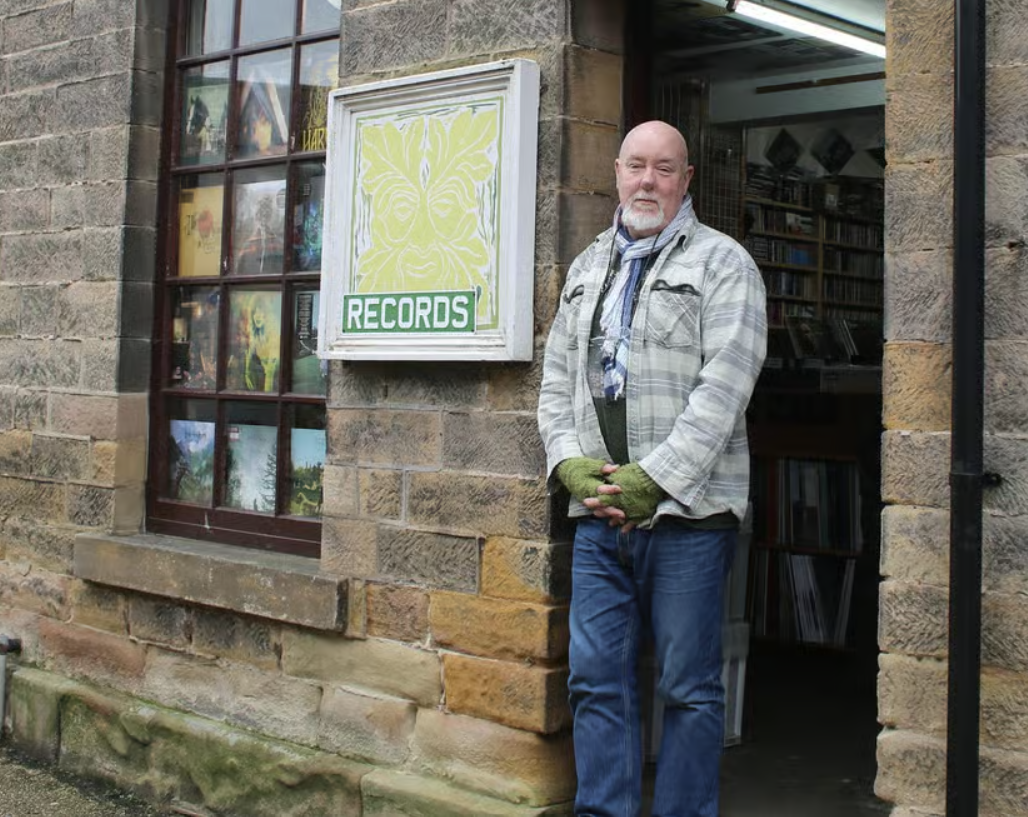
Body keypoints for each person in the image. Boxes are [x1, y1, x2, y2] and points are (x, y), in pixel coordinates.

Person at [538, 120, 767, 817]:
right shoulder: (586, 268)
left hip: (689, 519)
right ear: (615, 172)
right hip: (599, 519)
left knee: (688, 689)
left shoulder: (724, 264)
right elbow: (556, 383)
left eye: (664, 168)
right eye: (636, 165)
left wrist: (653, 480)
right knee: (594, 681)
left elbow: (724, 389)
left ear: (685, 179)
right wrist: (569, 463)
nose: (647, 180)